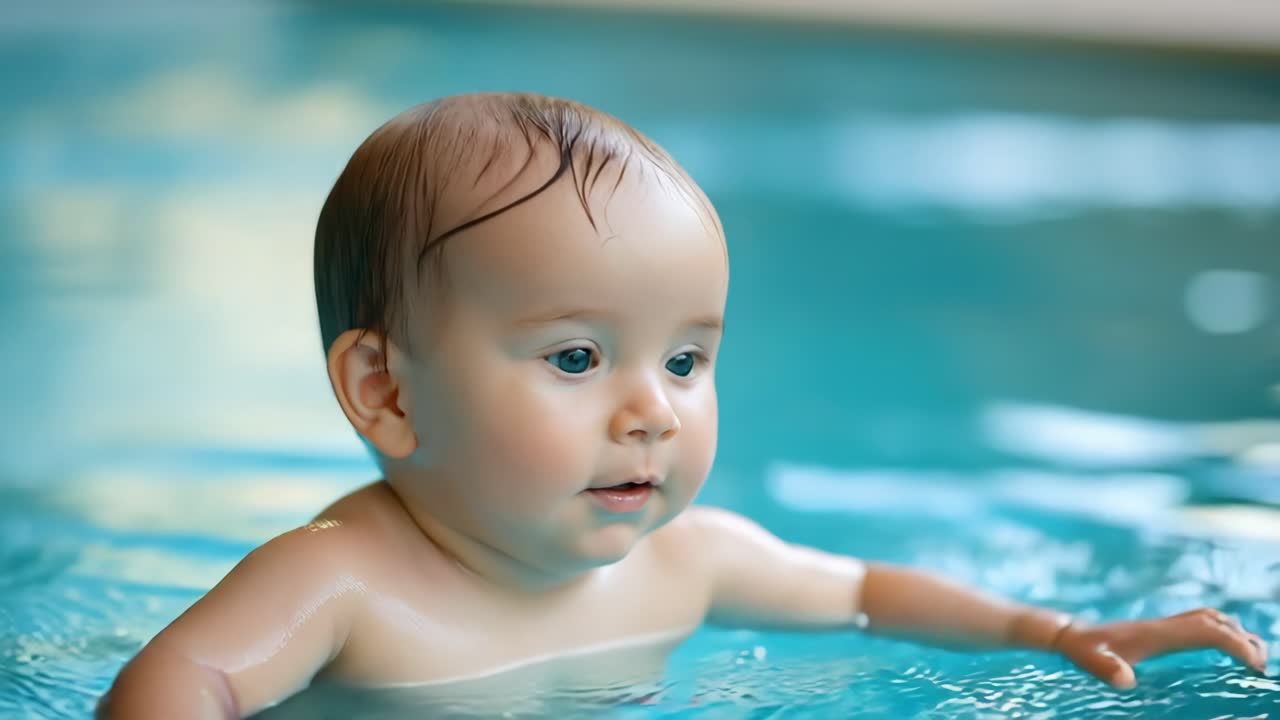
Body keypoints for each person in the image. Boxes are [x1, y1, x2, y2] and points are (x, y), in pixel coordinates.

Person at [97, 92, 1269, 719]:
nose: (650, 413)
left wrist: (1053, 634)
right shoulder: (341, 580)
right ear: (385, 394)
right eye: (573, 359)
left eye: (685, 361)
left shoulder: (683, 563)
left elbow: (863, 593)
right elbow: (177, 680)